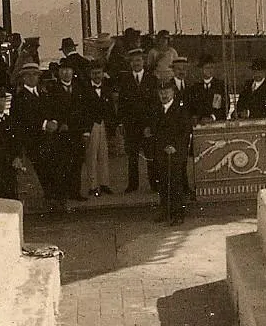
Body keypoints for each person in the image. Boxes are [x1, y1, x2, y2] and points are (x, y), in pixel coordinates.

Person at [10, 63, 66, 215]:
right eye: (29, 75)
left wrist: (54, 121)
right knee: (42, 172)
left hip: (49, 139)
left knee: (53, 169)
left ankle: (55, 199)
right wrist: (44, 124)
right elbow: (22, 121)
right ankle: (48, 201)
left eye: (35, 75)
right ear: (23, 78)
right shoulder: (19, 98)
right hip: (33, 142)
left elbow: (53, 109)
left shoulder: (43, 93)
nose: (32, 78)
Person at [148, 77, 195, 225]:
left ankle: (178, 213)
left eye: (167, 91)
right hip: (161, 151)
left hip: (176, 152)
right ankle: (164, 209)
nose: (164, 95)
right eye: (161, 92)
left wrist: (175, 146)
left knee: (175, 182)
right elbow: (154, 130)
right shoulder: (155, 108)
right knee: (162, 181)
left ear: (173, 92)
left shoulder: (180, 108)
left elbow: (185, 131)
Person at [45, 58, 87, 202]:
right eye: (63, 70)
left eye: (68, 70)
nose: (66, 73)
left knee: (76, 163)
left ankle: (75, 191)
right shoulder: (53, 89)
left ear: (73, 72)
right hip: (61, 134)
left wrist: (83, 130)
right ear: (58, 72)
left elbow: (83, 111)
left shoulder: (79, 88)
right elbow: (51, 110)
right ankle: (63, 193)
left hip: (76, 132)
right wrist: (60, 122)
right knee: (62, 163)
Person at [117, 48, 158, 192]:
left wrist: (150, 125)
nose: (136, 63)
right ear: (130, 63)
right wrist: (121, 122)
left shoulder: (152, 79)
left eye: (139, 60)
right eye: (133, 61)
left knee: (150, 156)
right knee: (132, 157)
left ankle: (155, 184)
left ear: (144, 62)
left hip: (147, 125)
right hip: (131, 124)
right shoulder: (125, 80)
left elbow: (155, 105)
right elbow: (121, 103)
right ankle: (133, 185)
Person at [79, 63, 117, 197]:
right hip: (92, 125)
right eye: (94, 73)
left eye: (99, 73)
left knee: (104, 155)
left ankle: (104, 183)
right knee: (91, 156)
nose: (97, 76)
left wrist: (112, 125)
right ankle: (93, 186)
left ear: (102, 73)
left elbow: (111, 108)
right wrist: (85, 130)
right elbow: (82, 111)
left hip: (103, 125)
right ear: (90, 74)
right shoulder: (84, 89)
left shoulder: (106, 88)